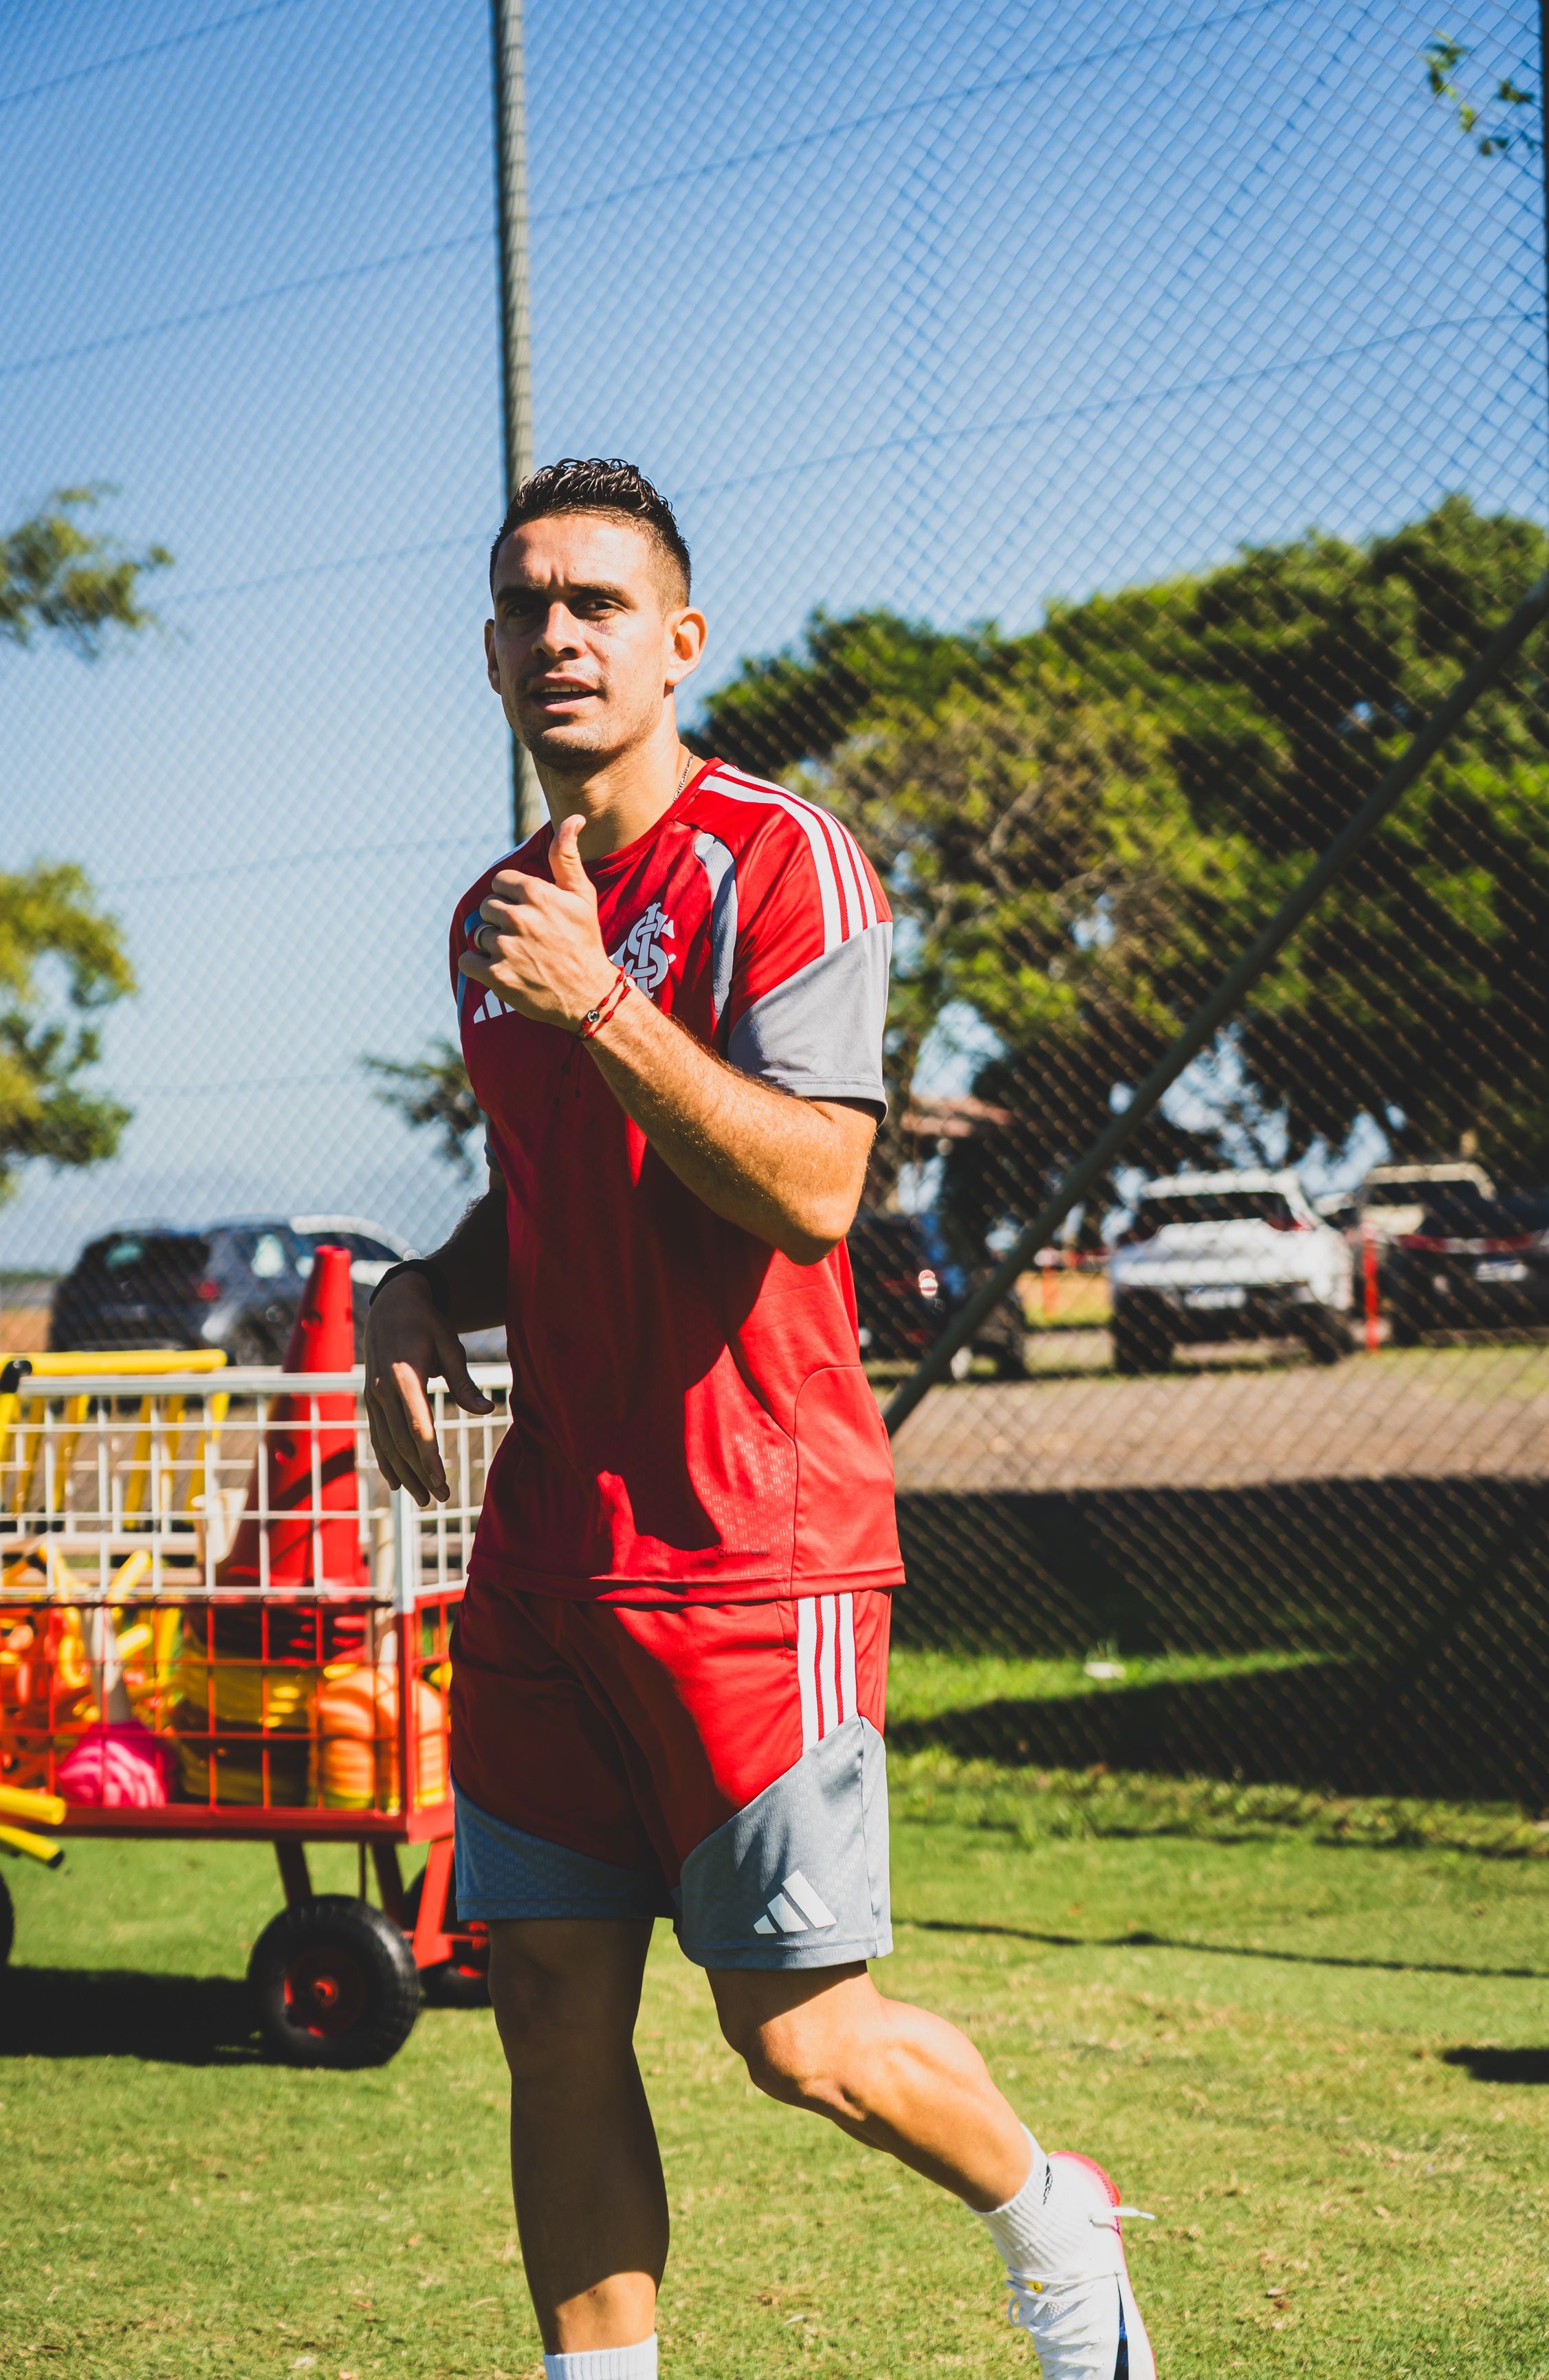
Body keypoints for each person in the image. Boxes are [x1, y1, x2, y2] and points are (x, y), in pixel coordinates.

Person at [365, 458, 1157, 2380]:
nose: (561, 634)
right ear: (488, 653)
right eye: (528, 606)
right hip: (548, 1556)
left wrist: (603, 1007)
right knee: (550, 2007)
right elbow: (551, 1192)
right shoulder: (493, 918)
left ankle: (1055, 2227)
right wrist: (420, 1291)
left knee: (800, 2037)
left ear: (680, 642)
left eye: (601, 604)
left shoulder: (785, 862)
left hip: (755, 1547)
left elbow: (813, 1184)